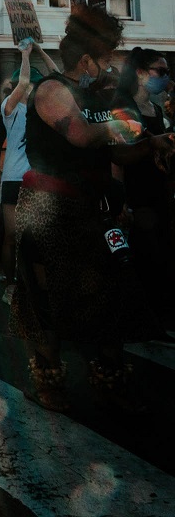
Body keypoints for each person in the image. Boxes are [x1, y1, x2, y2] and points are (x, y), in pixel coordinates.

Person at [9, 6, 171, 413]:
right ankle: (49, 378)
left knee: (110, 296)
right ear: (85, 60)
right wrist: (129, 127)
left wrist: (151, 144)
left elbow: (120, 151)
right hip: (49, 210)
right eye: (104, 59)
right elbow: (81, 135)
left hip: (93, 210)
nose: (108, 67)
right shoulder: (51, 91)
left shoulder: (102, 96)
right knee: (50, 298)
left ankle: (109, 378)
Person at [113, 48, 175, 331]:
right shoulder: (124, 107)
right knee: (146, 259)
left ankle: (159, 318)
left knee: (162, 255)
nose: (165, 77)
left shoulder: (157, 109)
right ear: (139, 73)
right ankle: (148, 321)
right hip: (137, 196)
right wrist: (121, 200)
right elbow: (117, 156)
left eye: (166, 72)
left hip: (159, 193)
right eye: (159, 72)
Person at [0, 40, 59, 304]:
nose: (31, 89)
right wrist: (25, 54)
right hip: (14, 179)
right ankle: (10, 285)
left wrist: (41, 51)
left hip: (41, 181)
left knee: (39, 237)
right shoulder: (11, 109)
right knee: (12, 236)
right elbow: (22, 84)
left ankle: (38, 286)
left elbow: (58, 78)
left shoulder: (47, 110)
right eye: (29, 85)